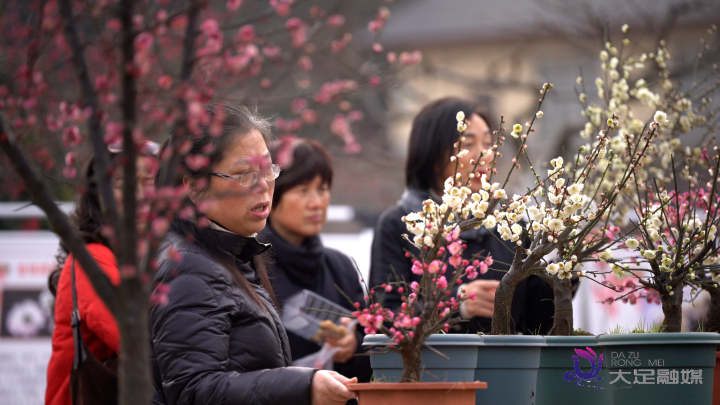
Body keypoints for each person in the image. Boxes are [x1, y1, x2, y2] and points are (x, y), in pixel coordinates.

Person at [150, 104, 357, 405]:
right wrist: (302, 385)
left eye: (268, 170)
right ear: (195, 188)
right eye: (244, 174)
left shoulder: (231, 254)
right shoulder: (189, 270)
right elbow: (194, 391)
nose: (263, 186)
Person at [369, 97, 555, 335]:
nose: (483, 156)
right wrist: (455, 306)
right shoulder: (402, 224)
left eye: (488, 143)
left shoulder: (511, 225)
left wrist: (564, 267)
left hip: (508, 367)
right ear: (433, 152)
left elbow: (534, 321)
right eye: (467, 144)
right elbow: (385, 317)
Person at [45, 142, 158, 405]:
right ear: (97, 195)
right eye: (122, 184)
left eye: (149, 181)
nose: (138, 194)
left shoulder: (145, 255)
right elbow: (136, 341)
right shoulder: (92, 260)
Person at [258, 138, 372, 385]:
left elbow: (374, 356)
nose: (316, 202)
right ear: (270, 193)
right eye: (302, 190)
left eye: (322, 189)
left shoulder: (341, 268)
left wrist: (352, 347)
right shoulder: (249, 265)